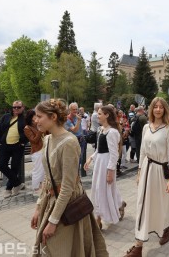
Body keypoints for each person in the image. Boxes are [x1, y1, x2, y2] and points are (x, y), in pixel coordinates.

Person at [30, 99, 108, 257]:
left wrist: (53, 221)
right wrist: (39, 207)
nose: (35, 120)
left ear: (52, 117)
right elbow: (48, 178)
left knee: (62, 248)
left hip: (69, 205)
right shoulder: (48, 139)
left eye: (39, 116)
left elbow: (67, 186)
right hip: (51, 201)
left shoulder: (69, 143)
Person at [124, 97, 169, 257]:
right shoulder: (146, 127)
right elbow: (142, 151)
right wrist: (139, 170)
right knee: (143, 203)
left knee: (162, 203)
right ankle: (138, 245)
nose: (158, 109)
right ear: (151, 109)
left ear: (165, 109)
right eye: (155, 107)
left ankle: (167, 228)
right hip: (147, 168)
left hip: (161, 170)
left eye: (161, 107)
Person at [84, 105, 126, 229]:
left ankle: (98, 217)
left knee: (102, 189)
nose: (98, 115)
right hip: (100, 163)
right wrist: (91, 158)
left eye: (100, 113)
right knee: (99, 189)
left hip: (106, 164)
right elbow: (99, 149)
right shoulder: (101, 129)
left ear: (107, 115)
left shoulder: (112, 132)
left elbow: (114, 154)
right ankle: (118, 205)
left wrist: (110, 172)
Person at [0, 100, 27, 198]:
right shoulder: (6, 117)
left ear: (23, 107)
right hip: (4, 145)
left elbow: (30, 131)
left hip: (17, 146)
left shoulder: (25, 119)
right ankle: (17, 184)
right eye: (14, 107)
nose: (16, 109)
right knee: (1, 165)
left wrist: (23, 142)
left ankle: (9, 189)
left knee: (14, 167)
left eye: (18, 107)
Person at [24, 109, 44, 191]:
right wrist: (40, 130)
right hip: (37, 151)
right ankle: (36, 187)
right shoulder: (27, 128)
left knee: (44, 170)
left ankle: (42, 186)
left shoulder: (38, 124)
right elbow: (34, 140)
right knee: (38, 169)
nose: (37, 117)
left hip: (44, 149)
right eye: (36, 115)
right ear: (31, 117)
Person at [65, 102, 87, 177]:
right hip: (73, 141)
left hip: (81, 140)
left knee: (80, 160)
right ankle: (73, 177)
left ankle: (76, 177)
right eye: (73, 109)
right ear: (70, 110)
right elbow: (74, 130)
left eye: (76, 109)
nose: (75, 111)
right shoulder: (68, 119)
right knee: (74, 161)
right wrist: (78, 120)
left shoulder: (78, 116)